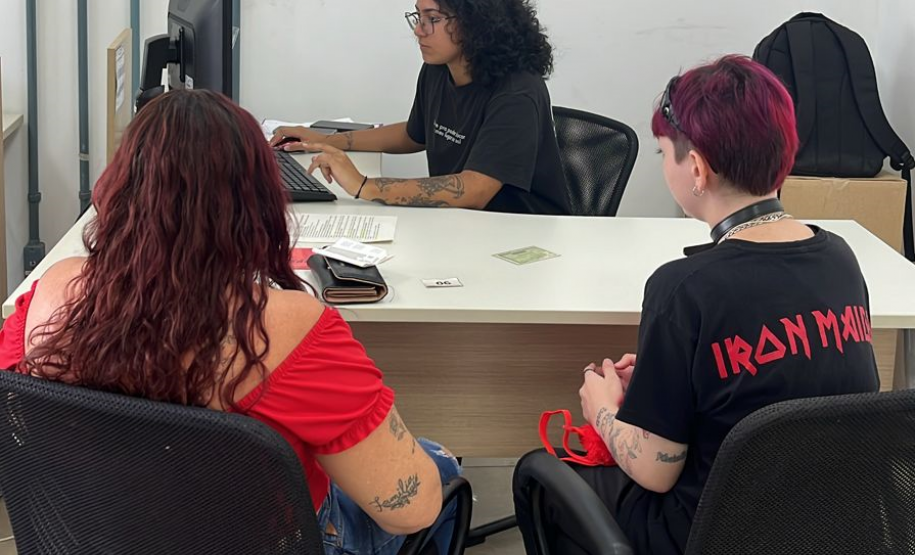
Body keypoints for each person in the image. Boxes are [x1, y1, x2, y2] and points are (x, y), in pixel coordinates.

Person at [0, 90, 460, 555]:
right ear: (257, 204)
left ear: (119, 188)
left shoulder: (48, 297)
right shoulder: (290, 329)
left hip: (95, 536)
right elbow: (410, 511)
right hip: (265, 540)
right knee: (438, 469)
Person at [513, 55, 880, 555]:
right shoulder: (840, 257)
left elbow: (657, 471)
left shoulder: (683, 288)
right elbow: (793, 377)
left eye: (665, 152)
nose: (665, 165)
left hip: (713, 533)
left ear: (698, 169)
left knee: (544, 481)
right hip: (826, 527)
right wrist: (680, 376)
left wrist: (602, 411)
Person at [269, 0, 570, 214]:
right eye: (417, 17)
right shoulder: (439, 69)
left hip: (523, 236)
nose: (419, 31)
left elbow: (475, 189)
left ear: (477, 22)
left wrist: (364, 185)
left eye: (433, 19)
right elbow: (414, 134)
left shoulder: (517, 92)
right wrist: (322, 139)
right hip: (465, 224)